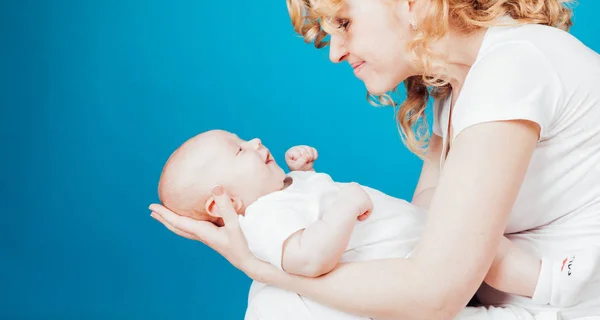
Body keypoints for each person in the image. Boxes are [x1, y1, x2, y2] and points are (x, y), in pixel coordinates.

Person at [149, 0, 600, 318]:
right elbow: (419, 231)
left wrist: (259, 265)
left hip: (561, 309)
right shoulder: (458, 88)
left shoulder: (510, 72)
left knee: (280, 300)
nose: (336, 53)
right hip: (503, 304)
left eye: (344, 23)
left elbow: (432, 296)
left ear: (414, 0)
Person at [156, 129, 598, 320]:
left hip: (416, 241)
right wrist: (344, 209)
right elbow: (306, 258)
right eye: (238, 151)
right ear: (224, 202)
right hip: (399, 267)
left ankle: (548, 283)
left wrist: (305, 169)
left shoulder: (281, 195)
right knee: (478, 269)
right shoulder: (264, 219)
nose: (253, 142)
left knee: (483, 252)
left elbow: (309, 207)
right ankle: (551, 289)